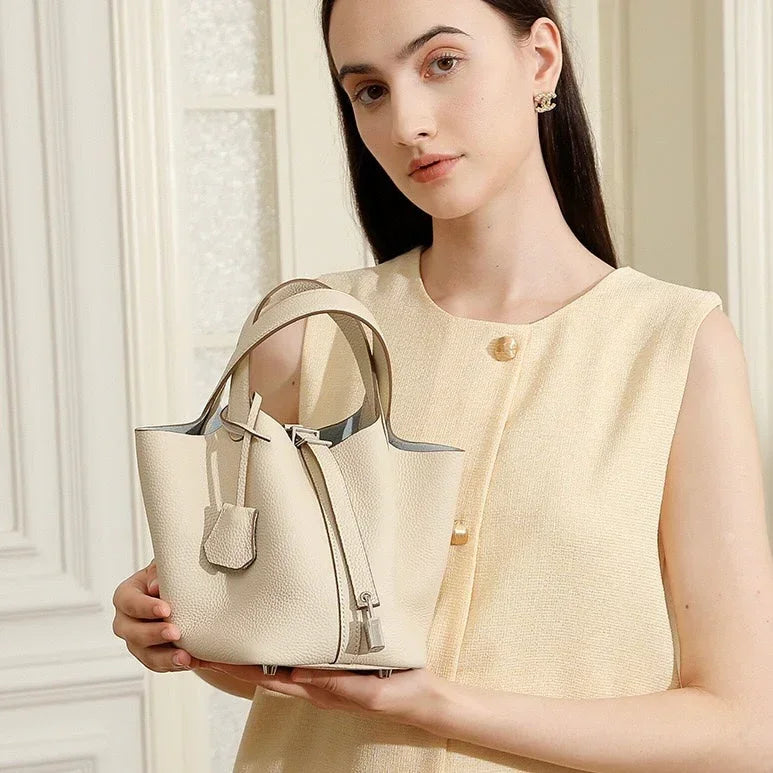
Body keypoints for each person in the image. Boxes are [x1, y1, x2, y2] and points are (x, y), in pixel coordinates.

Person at [112, 0, 773, 770]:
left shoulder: (674, 345)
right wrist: (178, 630)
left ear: (540, 59)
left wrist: (433, 701)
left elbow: (740, 725)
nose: (406, 122)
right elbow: (280, 651)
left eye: (441, 64)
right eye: (369, 90)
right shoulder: (309, 330)